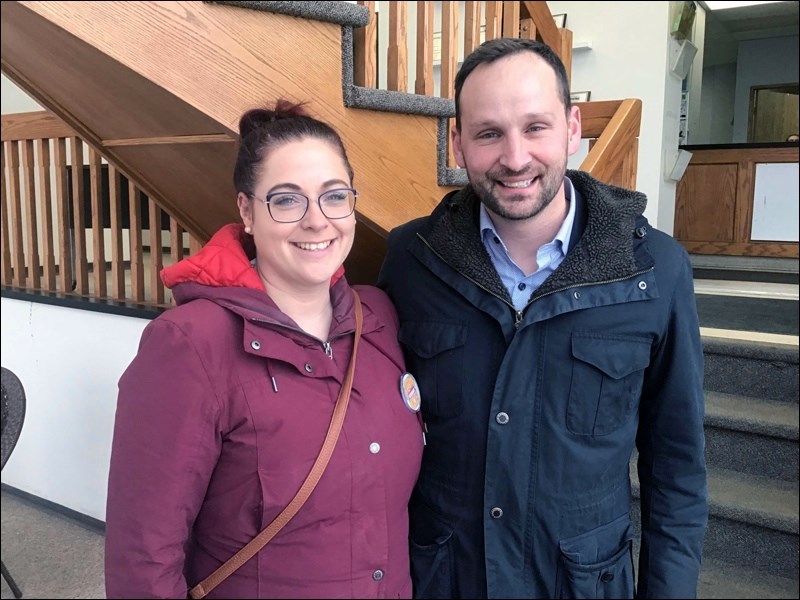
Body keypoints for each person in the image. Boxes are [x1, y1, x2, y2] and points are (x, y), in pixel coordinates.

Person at [378, 38, 708, 599]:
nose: (514, 157)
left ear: (572, 128)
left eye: (536, 127)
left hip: (582, 584)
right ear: (457, 143)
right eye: (488, 133)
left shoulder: (654, 269)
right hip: (446, 578)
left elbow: (675, 469)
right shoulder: (412, 261)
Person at [105, 100, 424, 599]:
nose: (317, 221)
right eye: (286, 200)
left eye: (334, 196)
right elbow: (142, 558)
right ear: (247, 211)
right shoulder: (191, 344)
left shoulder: (378, 317)